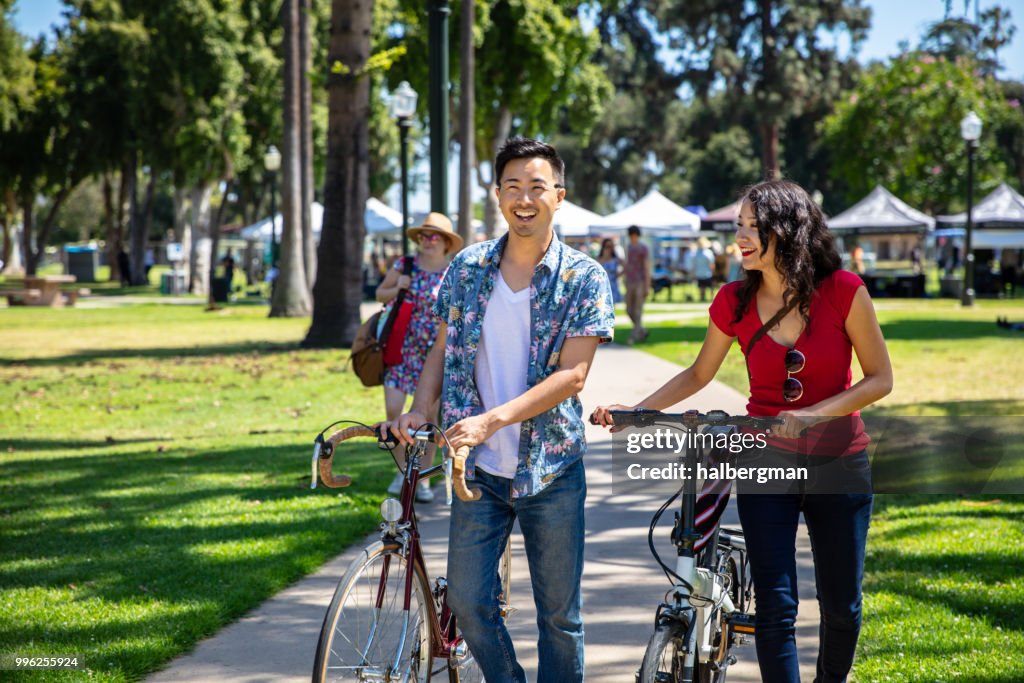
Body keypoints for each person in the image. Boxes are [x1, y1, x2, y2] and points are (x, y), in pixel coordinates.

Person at [594, 180, 893, 683]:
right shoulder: (733, 299)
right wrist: (638, 410)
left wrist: (817, 414)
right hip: (766, 461)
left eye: (755, 226)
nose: (742, 236)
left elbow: (880, 379)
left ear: (789, 230)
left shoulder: (843, 290)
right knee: (775, 608)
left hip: (839, 463)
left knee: (842, 607)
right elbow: (697, 373)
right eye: (739, 225)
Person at [386, 137, 614, 682]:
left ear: (559, 196)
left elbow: (573, 375)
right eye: (512, 187)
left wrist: (494, 419)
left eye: (537, 187)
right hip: (476, 470)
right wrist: (420, 408)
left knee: (560, 617)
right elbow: (441, 348)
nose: (524, 198)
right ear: (497, 195)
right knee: (467, 603)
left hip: (552, 470)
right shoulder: (466, 268)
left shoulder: (584, 277)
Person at [377, 212, 463, 503]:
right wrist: (396, 287)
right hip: (402, 350)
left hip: (435, 353)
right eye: (424, 236)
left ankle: (422, 478)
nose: (428, 241)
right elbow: (380, 293)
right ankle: (403, 470)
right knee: (394, 412)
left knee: (427, 418)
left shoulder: (453, 270)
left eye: (434, 236)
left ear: (446, 243)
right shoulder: (406, 265)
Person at [625, 224, 651, 344]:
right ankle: (641, 330)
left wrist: (647, 285)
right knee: (629, 309)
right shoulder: (629, 247)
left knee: (637, 310)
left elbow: (646, 267)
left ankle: (634, 336)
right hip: (630, 281)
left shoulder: (643, 248)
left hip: (640, 281)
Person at [597, 237, 623, 304]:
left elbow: (626, 266)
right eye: (607, 246)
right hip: (602, 286)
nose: (609, 248)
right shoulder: (599, 259)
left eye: (611, 246)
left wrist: (618, 274)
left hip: (613, 285)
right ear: (603, 247)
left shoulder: (615, 259)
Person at [693, 235, 716, 302]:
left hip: (699, 272)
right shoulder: (708, 252)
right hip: (707, 272)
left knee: (701, 287)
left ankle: (702, 298)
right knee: (710, 287)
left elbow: (694, 264)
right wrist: (713, 271)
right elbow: (711, 264)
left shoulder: (696, 253)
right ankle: (712, 298)